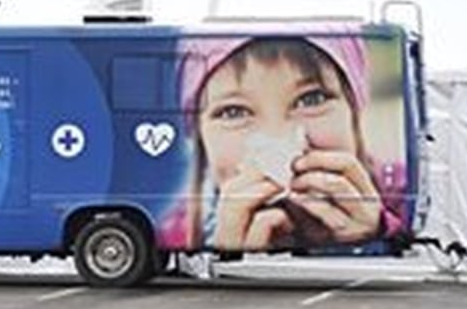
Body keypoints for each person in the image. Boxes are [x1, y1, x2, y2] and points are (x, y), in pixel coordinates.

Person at [161, 34, 407, 253]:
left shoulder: (401, 194)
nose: (278, 138)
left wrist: (375, 232)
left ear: (354, 113)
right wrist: (224, 249)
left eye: (311, 99)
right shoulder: (176, 229)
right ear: (201, 140)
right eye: (233, 112)